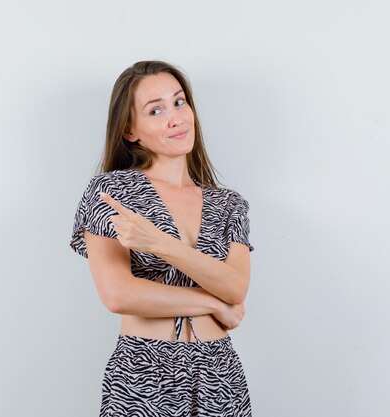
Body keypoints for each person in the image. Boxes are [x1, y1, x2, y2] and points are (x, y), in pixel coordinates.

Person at [69, 60, 254, 417]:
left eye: (179, 102)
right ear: (130, 130)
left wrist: (159, 243)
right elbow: (118, 295)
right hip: (143, 370)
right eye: (156, 110)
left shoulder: (228, 203)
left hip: (221, 373)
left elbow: (236, 288)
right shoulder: (111, 191)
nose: (176, 118)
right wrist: (214, 304)